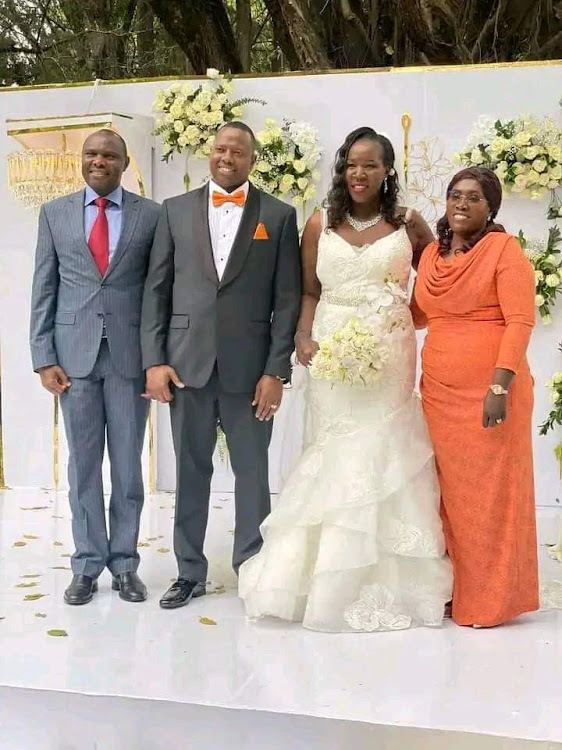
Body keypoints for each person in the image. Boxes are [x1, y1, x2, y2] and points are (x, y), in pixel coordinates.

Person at [238, 126, 453, 632]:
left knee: (386, 451)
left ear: (387, 171)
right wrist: (304, 337)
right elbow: (308, 291)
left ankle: (397, 580)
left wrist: (408, 322)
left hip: (390, 354)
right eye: (352, 164)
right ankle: (318, 578)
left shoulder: (408, 223)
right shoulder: (319, 223)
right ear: (342, 169)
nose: (360, 173)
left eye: (370, 165)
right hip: (332, 353)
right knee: (334, 451)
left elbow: (441, 280)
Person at [141, 122, 301, 610]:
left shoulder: (278, 215)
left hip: (250, 372)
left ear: (253, 159)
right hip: (186, 367)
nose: (227, 156)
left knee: (253, 472)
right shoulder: (175, 210)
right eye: (220, 148)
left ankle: (251, 569)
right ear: (208, 155)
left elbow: (287, 299)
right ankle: (189, 571)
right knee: (191, 471)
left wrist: (276, 371)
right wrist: (154, 362)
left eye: (238, 150)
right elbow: (157, 292)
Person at [30, 129, 160, 605]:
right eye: (91, 154)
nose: (98, 161)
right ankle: (86, 564)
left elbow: (157, 291)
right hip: (73, 360)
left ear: (125, 163)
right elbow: (44, 287)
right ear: (81, 161)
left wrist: (157, 358)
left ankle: (125, 564)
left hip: (130, 360)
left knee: (128, 467)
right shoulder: (55, 214)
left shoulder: (151, 216)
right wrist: (44, 357)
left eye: (109, 155)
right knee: (84, 467)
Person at [412, 167, 539, 628]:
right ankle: (456, 588)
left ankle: (492, 599)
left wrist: (499, 385)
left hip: (491, 393)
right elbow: (418, 316)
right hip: (439, 396)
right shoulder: (430, 257)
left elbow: (520, 320)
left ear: (491, 209)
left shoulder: (504, 250)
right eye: (454, 196)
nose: (461, 204)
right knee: (450, 497)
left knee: (490, 497)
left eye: (473, 198)